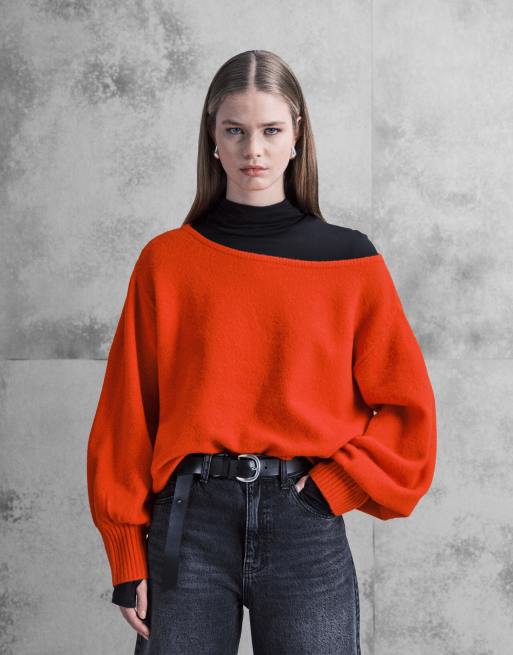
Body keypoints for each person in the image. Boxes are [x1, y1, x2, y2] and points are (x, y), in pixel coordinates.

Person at [86, 50, 437, 654]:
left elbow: (409, 411)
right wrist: (125, 553)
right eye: (236, 130)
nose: (254, 150)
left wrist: (332, 489)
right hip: (189, 524)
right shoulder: (166, 262)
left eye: (271, 130)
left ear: (297, 136)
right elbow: (127, 414)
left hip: (305, 519)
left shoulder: (351, 262)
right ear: (212, 138)